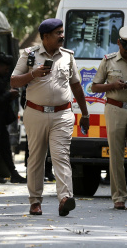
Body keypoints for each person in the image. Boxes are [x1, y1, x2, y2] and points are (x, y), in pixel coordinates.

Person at [11, 18, 90, 216]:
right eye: (58, 33)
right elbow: (13, 81)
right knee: (36, 158)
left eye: (62, 32)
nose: (62, 36)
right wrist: (33, 74)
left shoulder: (67, 56)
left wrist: (85, 113)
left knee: (61, 156)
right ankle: (35, 201)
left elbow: (76, 87)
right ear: (45, 37)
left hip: (62, 114)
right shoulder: (29, 55)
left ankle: (65, 198)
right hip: (35, 113)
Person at [91, 26, 127, 211]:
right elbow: (94, 87)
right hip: (114, 109)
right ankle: (119, 197)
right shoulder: (108, 61)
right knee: (116, 154)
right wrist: (112, 85)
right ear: (119, 43)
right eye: (125, 46)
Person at [0, 55, 27, 184]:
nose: (7, 72)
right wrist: (8, 94)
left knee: (5, 148)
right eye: (6, 69)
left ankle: (13, 173)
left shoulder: (1, 80)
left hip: (1, 121)